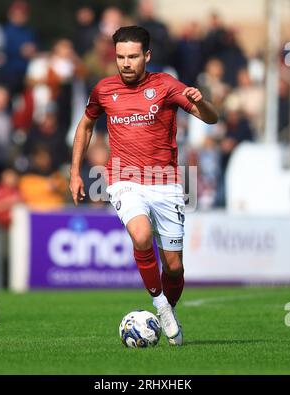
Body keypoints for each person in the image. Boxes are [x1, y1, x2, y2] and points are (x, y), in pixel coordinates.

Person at [69, 26, 218, 346]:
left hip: (166, 183)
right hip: (124, 179)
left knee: (175, 268)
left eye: (133, 56)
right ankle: (161, 306)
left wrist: (201, 102)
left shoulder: (165, 85)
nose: (125, 63)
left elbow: (211, 119)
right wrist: (75, 172)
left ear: (147, 56)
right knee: (141, 235)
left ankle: (170, 306)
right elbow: (85, 125)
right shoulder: (103, 90)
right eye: (120, 56)